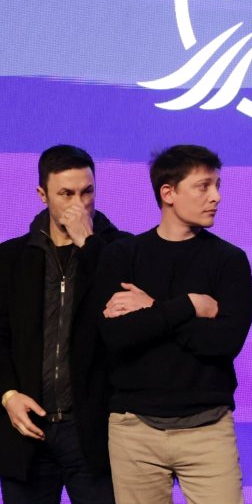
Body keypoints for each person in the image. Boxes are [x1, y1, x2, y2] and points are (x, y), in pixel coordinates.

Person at [94, 145, 252, 503]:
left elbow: (224, 343)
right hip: (134, 430)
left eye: (217, 186)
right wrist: (188, 306)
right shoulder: (122, 256)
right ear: (168, 193)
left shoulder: (229, 260)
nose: (216, 197)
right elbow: (117, 336)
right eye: (203, 186)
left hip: (208, 428)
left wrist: (150, 308)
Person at [0, 146, 127, 503]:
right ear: (42, 195)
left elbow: (129, 317)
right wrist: (8, 395)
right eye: (66, 194)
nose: (79, 203)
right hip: (27, 432)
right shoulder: (10, 258)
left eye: (87, 192)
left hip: (94, 434)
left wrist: (88, 242)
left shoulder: (122, 251)